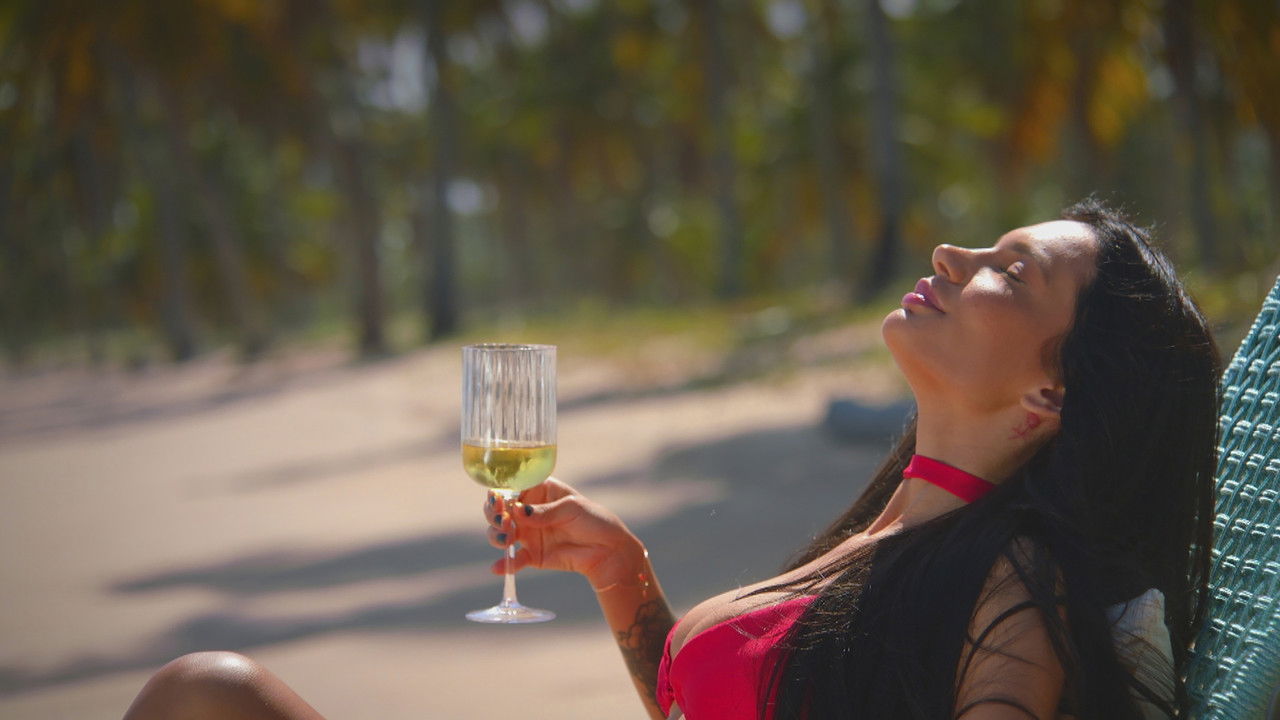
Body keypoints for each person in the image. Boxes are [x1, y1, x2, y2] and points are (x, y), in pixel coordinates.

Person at [121, 198, 1220, 720]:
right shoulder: (894, 533)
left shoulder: (1012, 593)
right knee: (206, 693)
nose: (950, 250)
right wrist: (625, 580)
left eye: (1009, 272)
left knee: (205, 698)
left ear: (1049, 394)